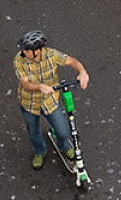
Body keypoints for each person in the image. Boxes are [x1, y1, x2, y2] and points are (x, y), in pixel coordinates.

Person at [13, 30, 89, 170]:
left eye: (27, 50)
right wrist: (40, 86)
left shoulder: (51, 54)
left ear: (37, 50)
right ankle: (40, 151)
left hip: (49, 101)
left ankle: (63, 146)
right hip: (29, 102)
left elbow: (71, 61)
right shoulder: (19, 60)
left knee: (64, 132)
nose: (24, 53)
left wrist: (82, 71)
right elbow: (25, 83)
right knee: (33, 131)